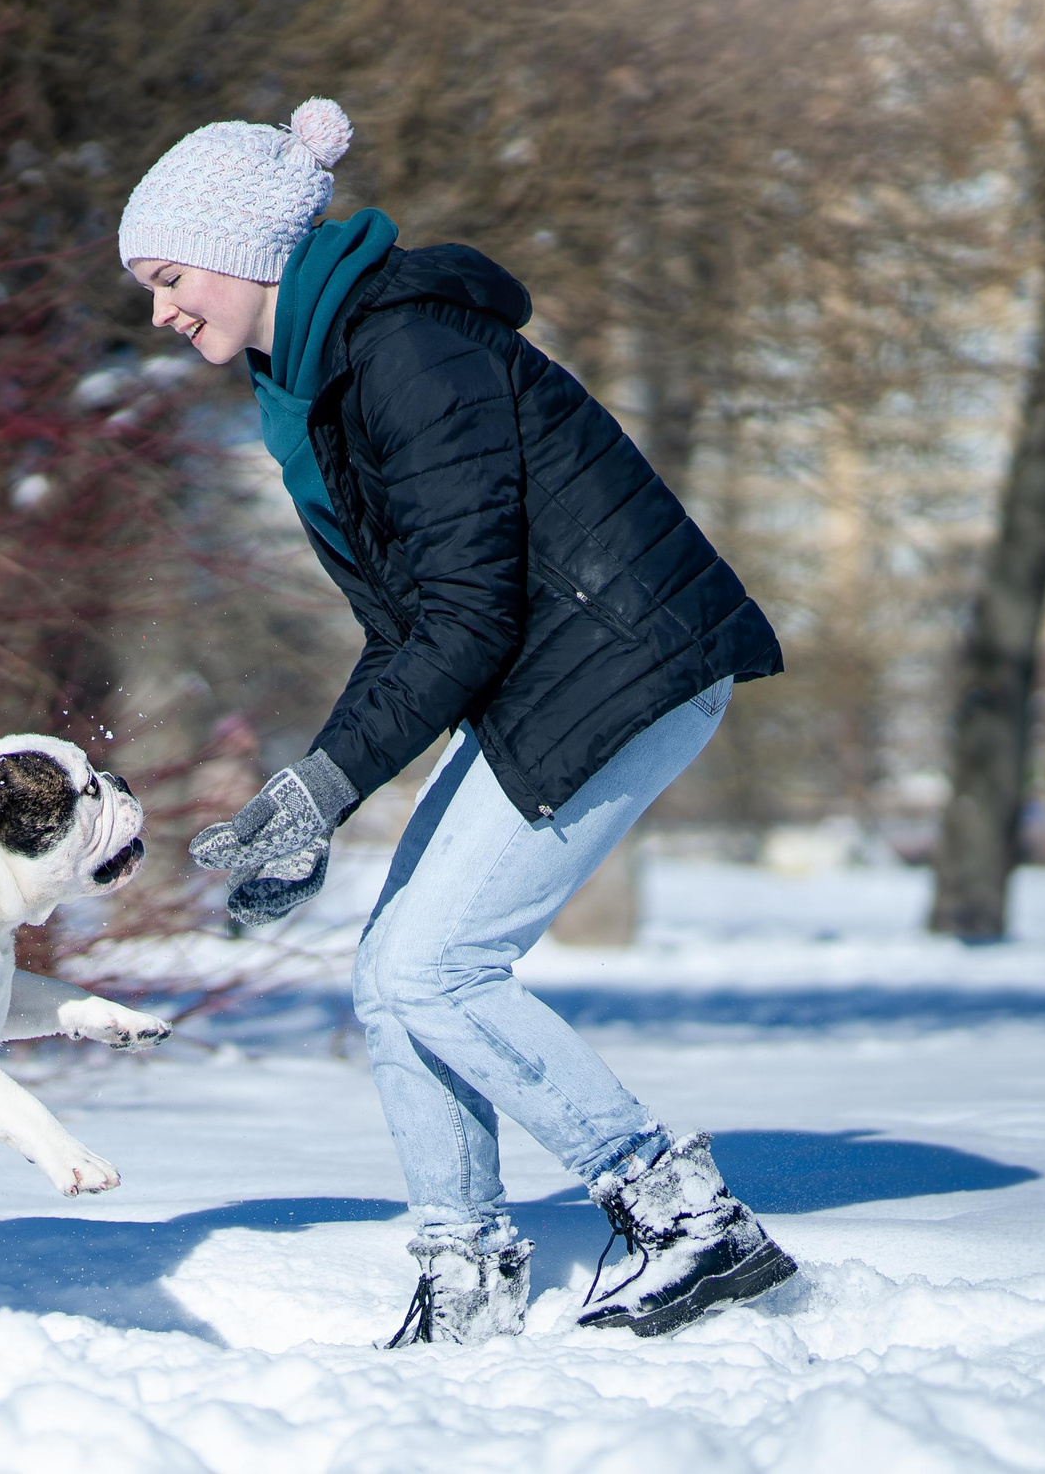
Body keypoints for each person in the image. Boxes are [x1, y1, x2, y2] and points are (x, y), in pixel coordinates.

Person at [120, 98, 795, 1343]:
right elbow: (412, 629)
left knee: (435, 967)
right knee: (391, 976)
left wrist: (329, 780)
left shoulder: (404, 350)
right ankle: (467, 1268)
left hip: (620, 663)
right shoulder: (319, 380)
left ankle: (688, 1217)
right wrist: (315, 801)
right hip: (551, 674)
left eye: (170, 279)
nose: (159, 313)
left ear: (247, 249)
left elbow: (468, 617)